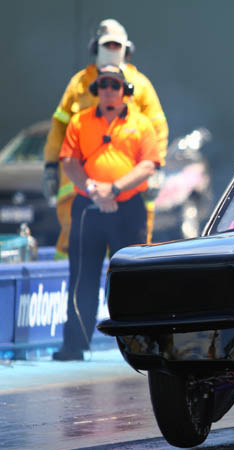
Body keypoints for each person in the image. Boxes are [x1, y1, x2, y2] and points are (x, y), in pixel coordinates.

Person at [53, 65, 163, 361]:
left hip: (128, 208)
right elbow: (69, 161)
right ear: (96, 90)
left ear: (125, 90)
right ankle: (74, 345)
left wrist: (113, 190)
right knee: (82, 277)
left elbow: (148, 165)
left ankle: (140, 344)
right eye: (103, 85)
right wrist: (94, 190)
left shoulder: (141, 124)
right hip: (88, 208)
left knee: (132, 278)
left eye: (115, 85)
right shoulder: (79, 121)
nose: (109, 90)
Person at [43, 18, 168, 259]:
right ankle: (70, 281)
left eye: (116, 45)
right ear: (95, 47)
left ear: (126, 49)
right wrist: (50, 166)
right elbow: (59, 126)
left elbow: (157, 128)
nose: (111, 50)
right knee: (76, 243)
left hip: (130, 189)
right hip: (82, 187)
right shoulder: (80, 83)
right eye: (107, 45)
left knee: (133, 251)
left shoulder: (140, 85)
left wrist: (157, 168)